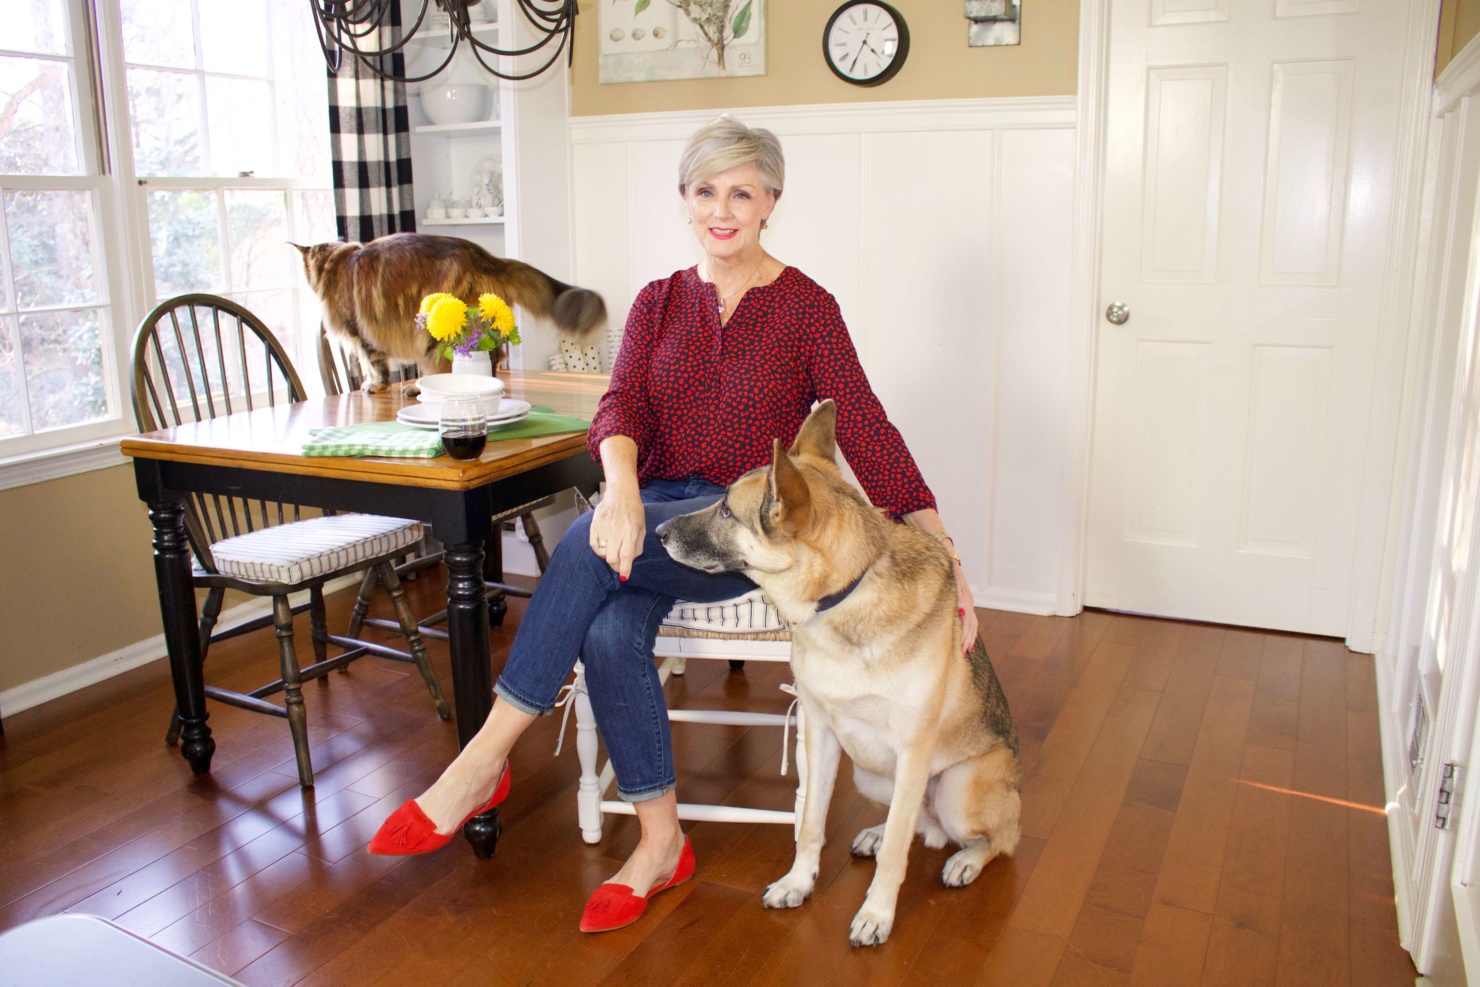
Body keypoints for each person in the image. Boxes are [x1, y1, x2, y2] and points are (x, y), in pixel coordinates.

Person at [367, 115, 978, 933]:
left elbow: (862, 423)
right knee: (611, 626)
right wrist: (619, 486)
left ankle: (484, 759)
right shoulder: (657, 301)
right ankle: (661, 845)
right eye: (704, 191)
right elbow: (619, 407)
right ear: (684, 199)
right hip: (653, 510)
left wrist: (940, 543)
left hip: (737, 531)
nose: (721, 210)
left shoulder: (806, 308)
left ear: (770, 202)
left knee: (583, 550)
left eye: (741, 192)